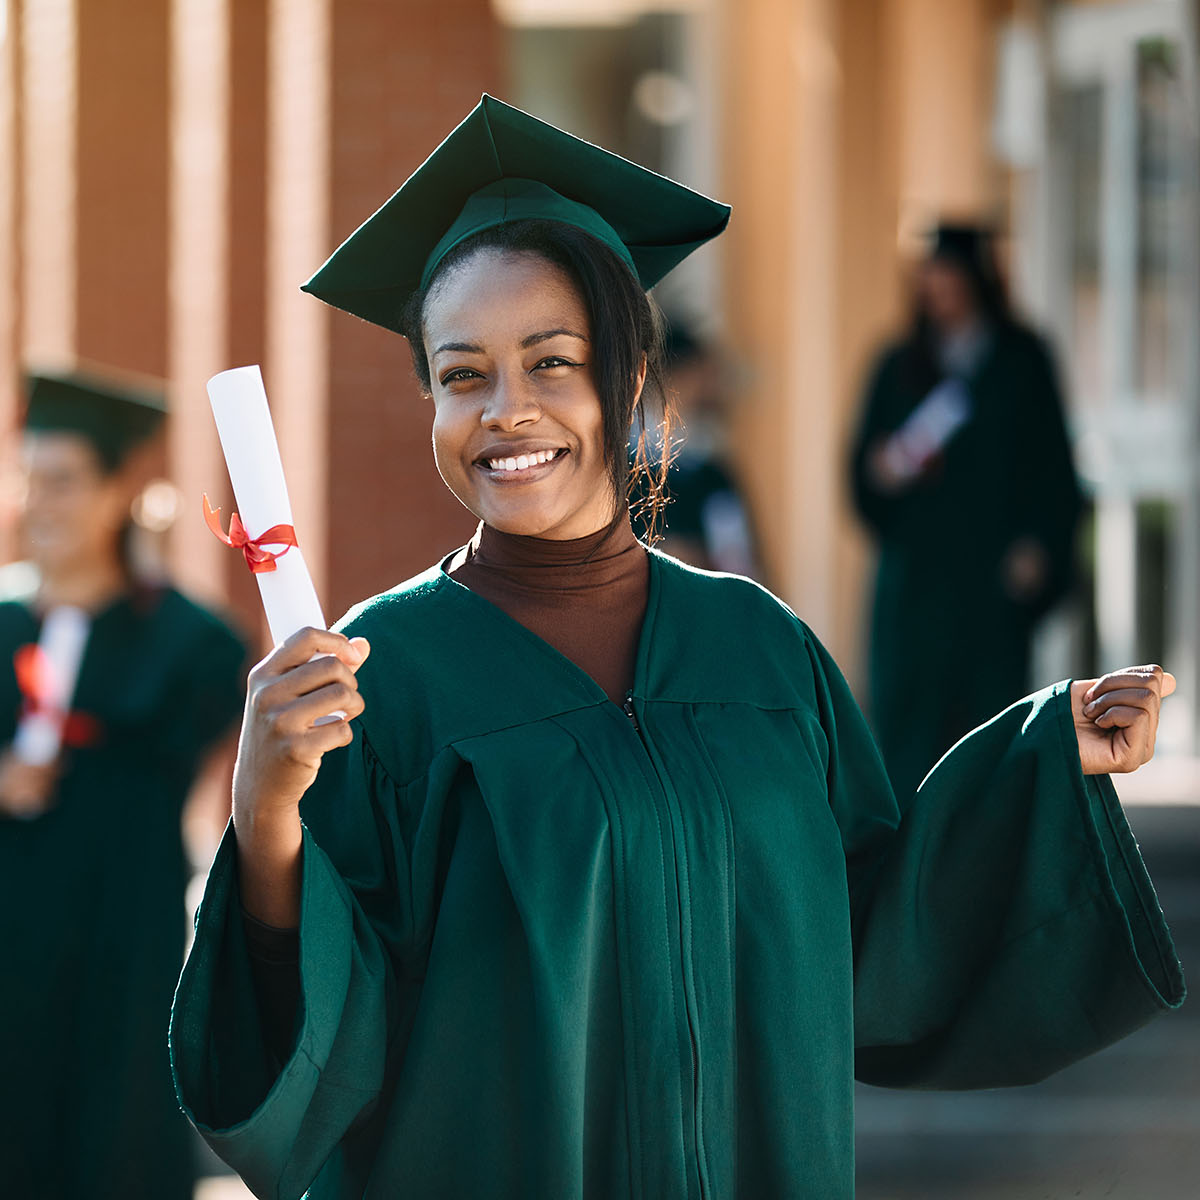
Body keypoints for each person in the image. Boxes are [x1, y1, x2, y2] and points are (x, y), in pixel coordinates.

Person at [167, 95, 1185, 1199]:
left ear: (633, 379)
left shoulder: (756, 648)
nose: (507, 410)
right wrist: (268, 815)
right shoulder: (383, 672)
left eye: (552, 361)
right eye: (463, 374)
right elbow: (320, 1048)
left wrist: (1042, 756)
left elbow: (863, 936)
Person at [0, 370, 247, 1200]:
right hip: (16, 932)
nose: (37, 502)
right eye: (25, 480)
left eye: (63, 481)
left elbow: (212, 775)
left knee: (128, 1143)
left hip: (134, 935)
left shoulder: (191, 643)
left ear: (123, 488)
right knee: (17, 1143)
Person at [851, 223, 1085, 795]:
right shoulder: (901, 363)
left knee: (993, 737)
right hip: (917, 589)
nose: (940, 289)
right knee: (910, 741)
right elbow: (863, 470)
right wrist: (883, 469)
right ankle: (909, 868)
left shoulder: (1022, 360)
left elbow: (1054, 468)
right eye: (932, 276)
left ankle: (988, 867)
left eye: (951, 275)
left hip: (990, 586)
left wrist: (1041, 546)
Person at [635, 320, 762, 578]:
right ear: (672, 381)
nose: (712, 391)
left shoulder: (712, 473)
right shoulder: (625, 469)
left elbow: (740, 565)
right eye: (702, 378)